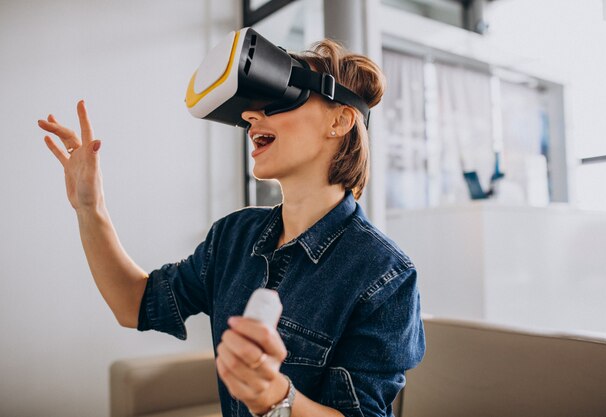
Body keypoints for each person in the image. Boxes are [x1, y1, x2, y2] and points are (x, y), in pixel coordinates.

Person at [38, 38, 425, 417]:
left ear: (340, 120)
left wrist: (275, 399)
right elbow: (134, 304)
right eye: (250, 109)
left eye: (279, 97)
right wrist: (90, 207)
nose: (249, 117)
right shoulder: (234, 235)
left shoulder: (385, 274)